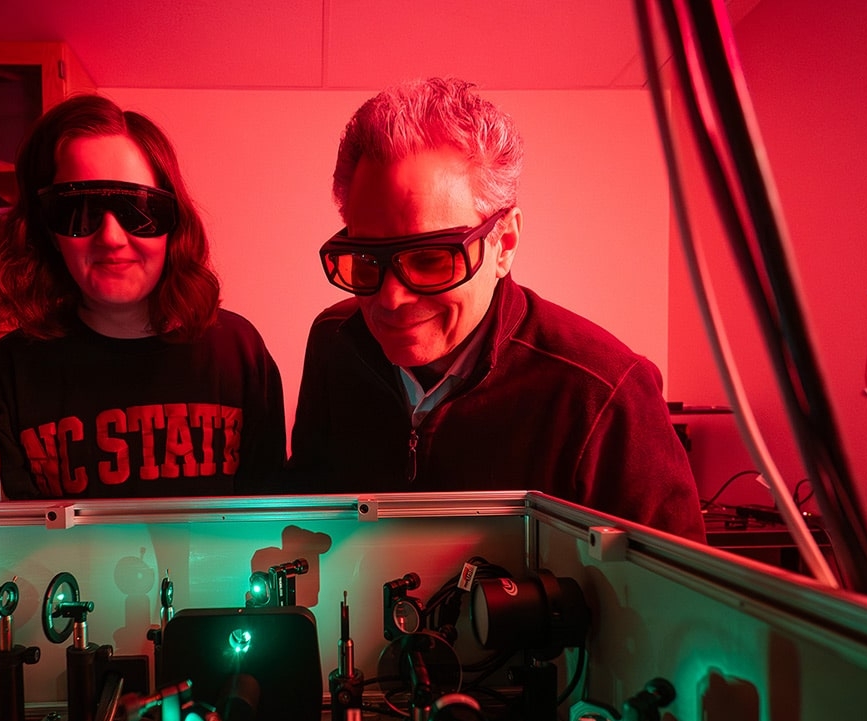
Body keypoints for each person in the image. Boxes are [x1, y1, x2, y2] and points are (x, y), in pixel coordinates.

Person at [288, 78, 705, 541]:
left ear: (504, 244)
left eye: (430, 259)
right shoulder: (334, 342)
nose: (390, 298)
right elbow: (307, 520)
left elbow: (679, 606)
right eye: (367, 260)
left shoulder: (604, 394)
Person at [0, 94, 285, 500]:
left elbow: (268, 517)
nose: (112, 238)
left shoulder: (239, 354)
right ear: (47, 230)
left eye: (137, 209)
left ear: (174, 222)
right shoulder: (1, 377)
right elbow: (2, 546)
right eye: (79, 210)